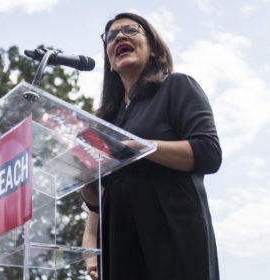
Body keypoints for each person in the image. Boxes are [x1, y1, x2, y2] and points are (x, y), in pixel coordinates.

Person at [80, 12, 222, 280]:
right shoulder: (105, 122)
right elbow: (96, 203)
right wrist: (82, 174)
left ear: (154, 48)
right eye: (111, 36)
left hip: (174, 236)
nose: (120, 36)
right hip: (120, 247)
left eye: (131, 30)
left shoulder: (177, 87)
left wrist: (139, 148)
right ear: (109, 62)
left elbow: (209, 153)